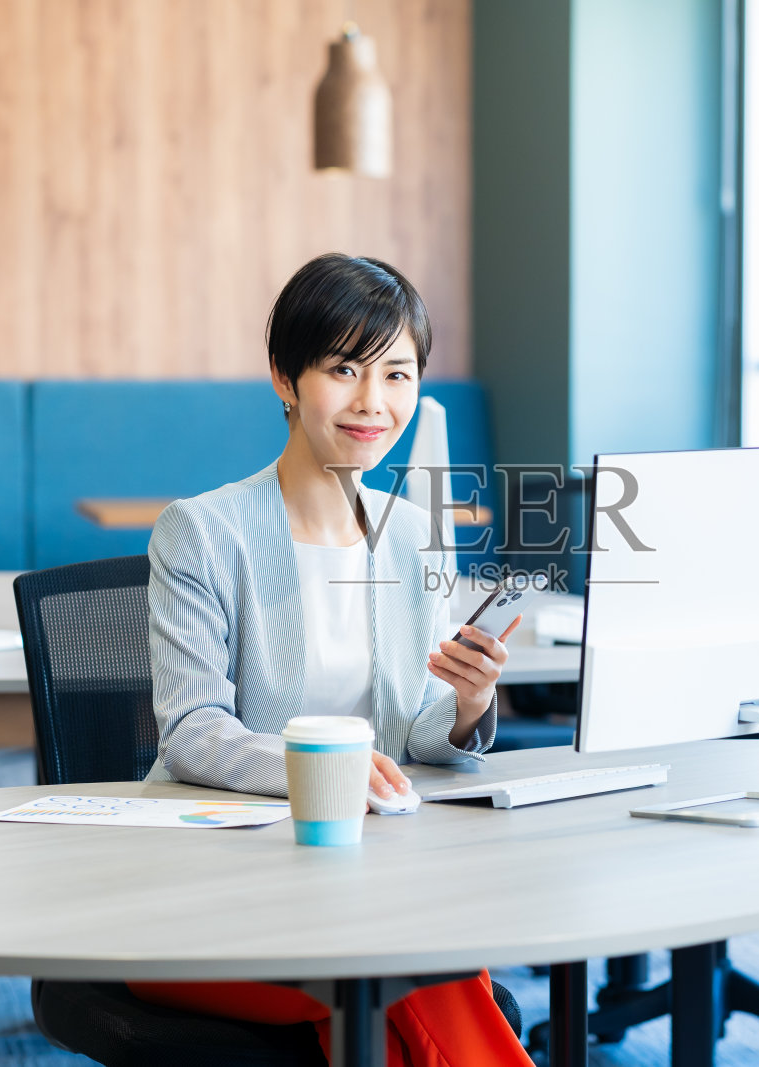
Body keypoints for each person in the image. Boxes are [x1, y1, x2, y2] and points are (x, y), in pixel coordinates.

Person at [128, 253, 533, 1066]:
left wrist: (466, 705)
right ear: (285, 377)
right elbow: (193, 732)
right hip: (208, 888)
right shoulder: (201, 531)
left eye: (396, 374)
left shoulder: (414, 532)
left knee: (396, 988)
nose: (373, 401)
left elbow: (411, 733)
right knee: (418, 966)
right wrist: (332, 771)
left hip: (362, 879)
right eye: (344, 369)